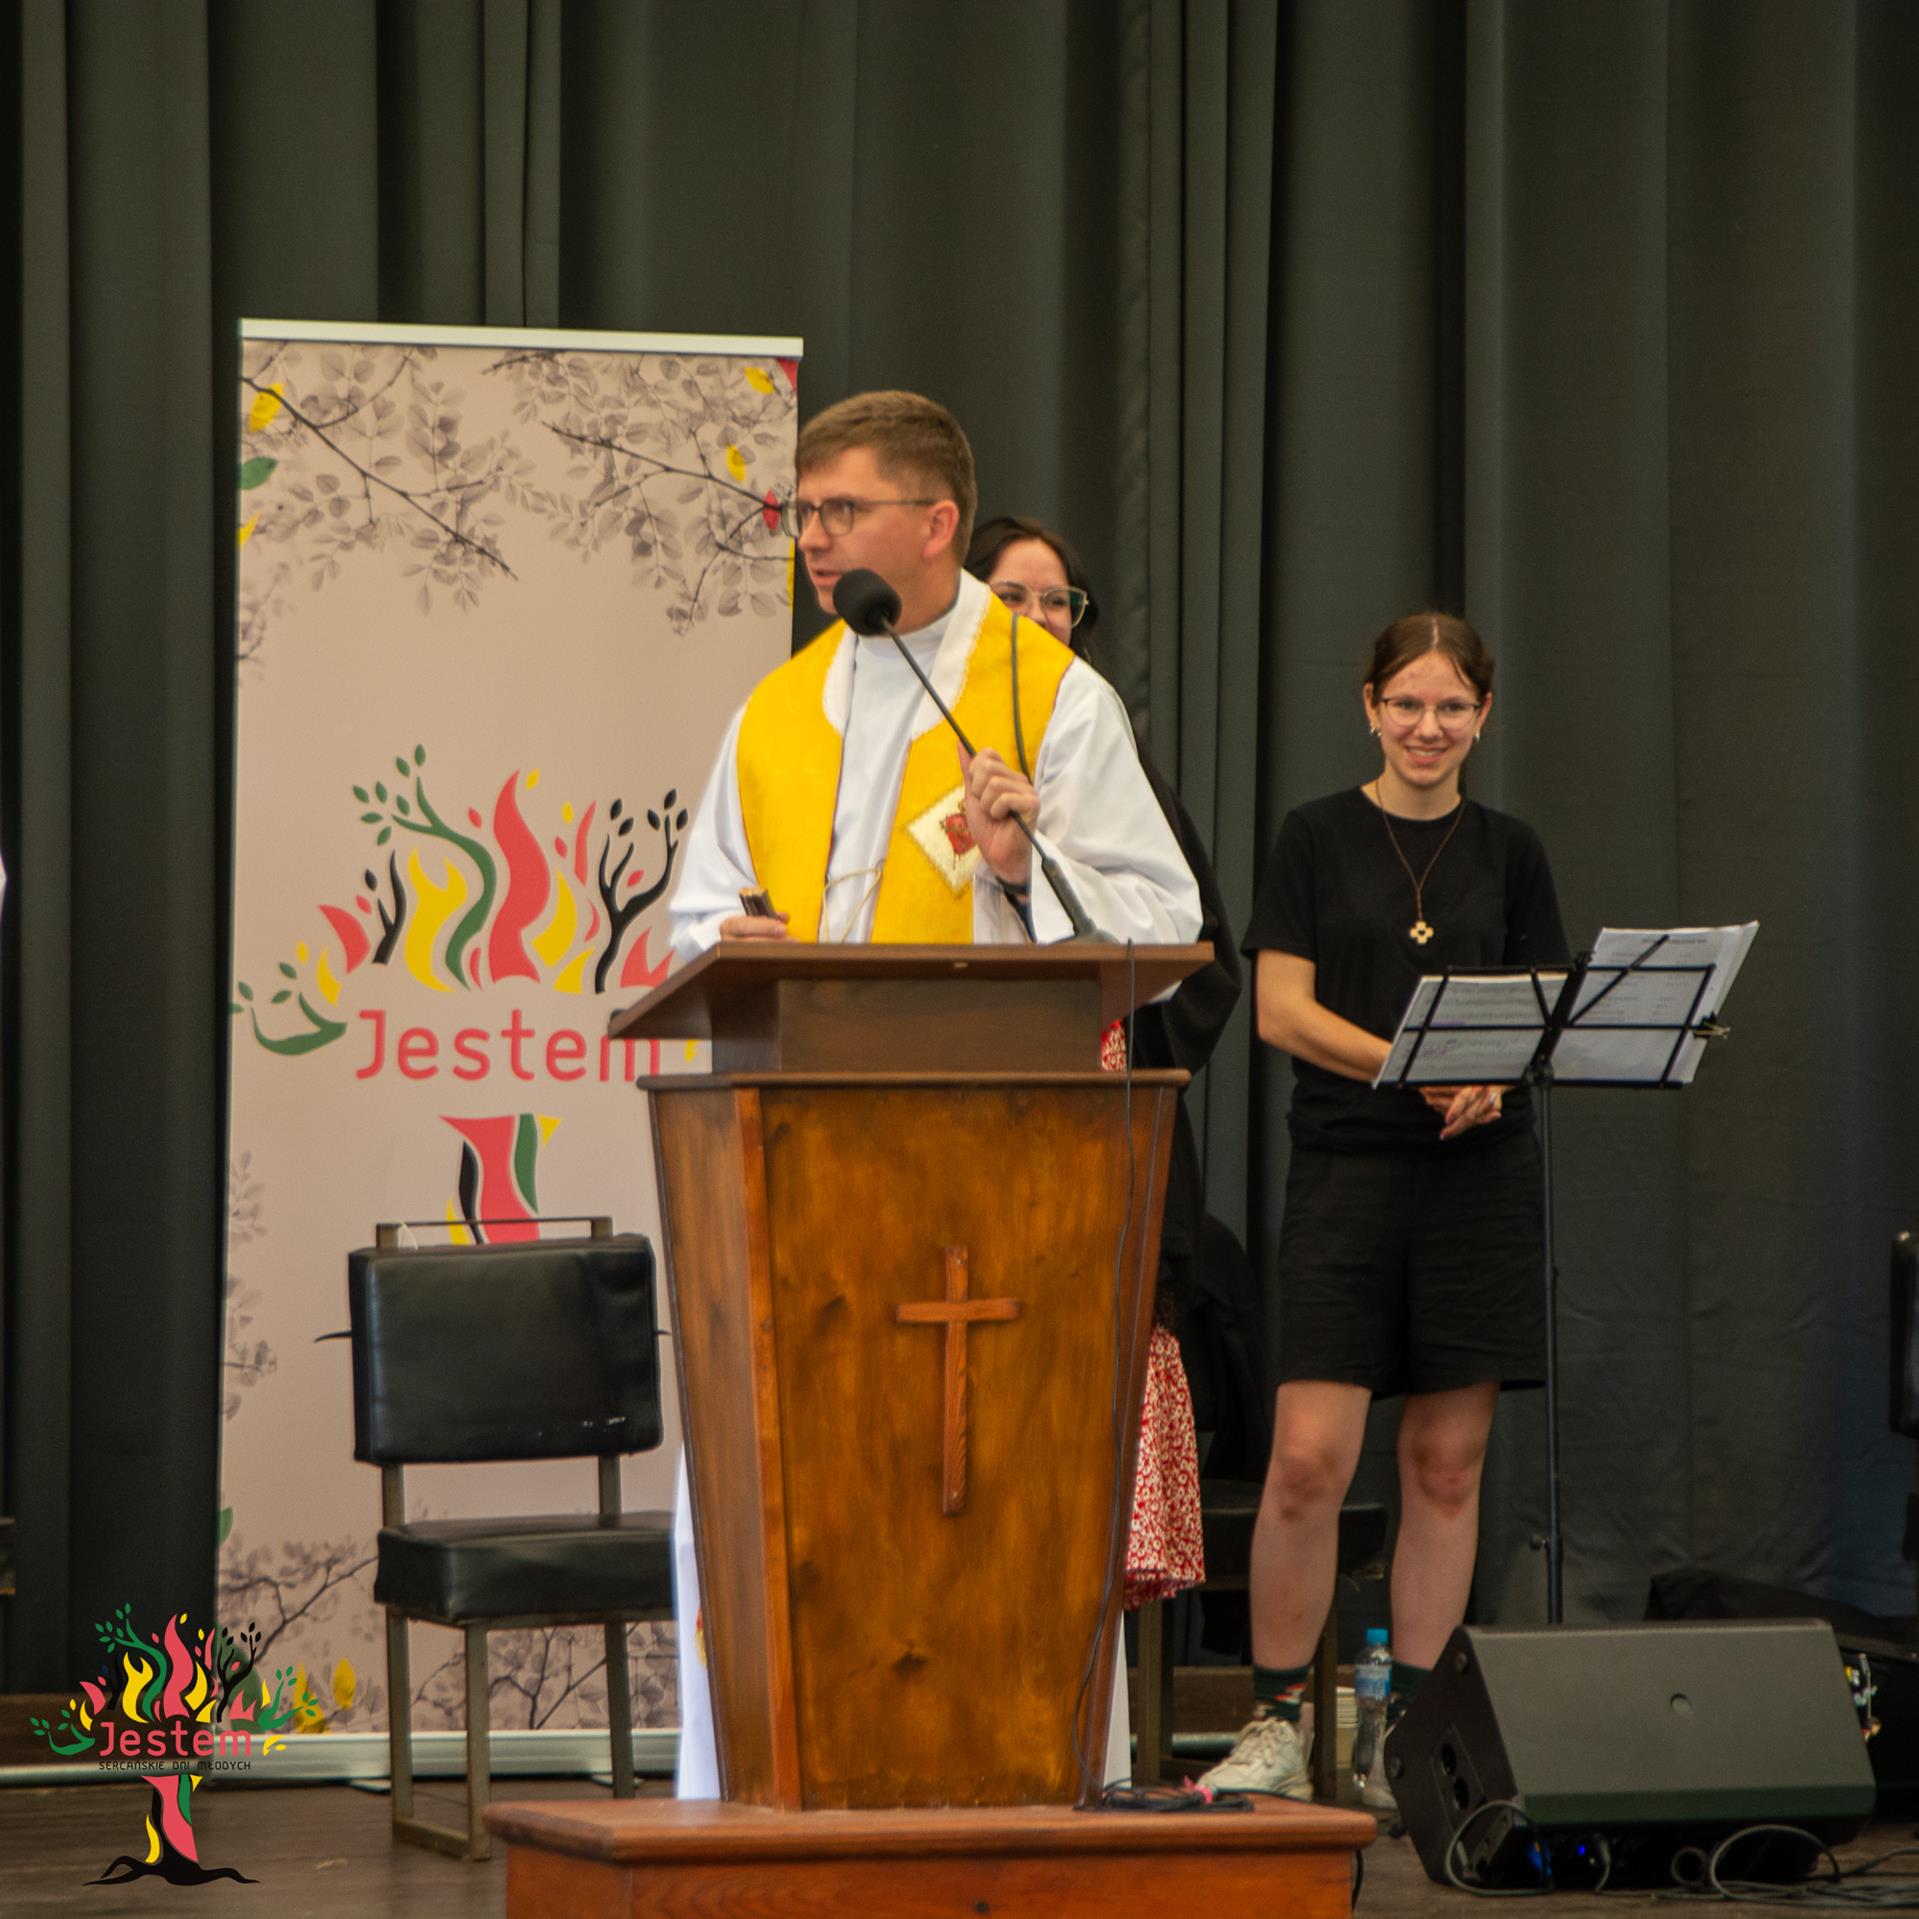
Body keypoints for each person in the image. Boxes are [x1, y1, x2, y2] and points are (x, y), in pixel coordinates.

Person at [667, 395, 1202, 1798]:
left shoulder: (1044, 695)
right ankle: (772, 1800)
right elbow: (686, 917)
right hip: (797, 1170)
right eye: (803, 511)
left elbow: (1162, 922)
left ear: (935, 522)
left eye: (841, 509)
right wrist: (730, 940)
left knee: (991, 1496)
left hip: (996, 1174)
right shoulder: (778, 707)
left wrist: (1024, 868)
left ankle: (1019, 1793)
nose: (812, 536)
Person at [1201, 611, 1568, 1805]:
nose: (1426, 725)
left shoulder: (1509, 850)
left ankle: (1404, 1737)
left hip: (1478, 1180)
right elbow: (1280, 1011)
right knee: (1307, 1460)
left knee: (1446, 1465)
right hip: (1346, 1173)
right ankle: (1276, 1720)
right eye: (1405, 702)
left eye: (1450, 705)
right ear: (1368, 706)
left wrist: (1494, 1074)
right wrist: (1416, 1067)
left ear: (1482, 716)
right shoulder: (1312, 835)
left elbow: (1545, 1011)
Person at [965, 515, 1256, 1613]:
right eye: (1012, 597)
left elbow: (1194, 952)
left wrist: (1029, 872)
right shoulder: (884, 750)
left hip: (1085, 1134)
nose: (1039, 618)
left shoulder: (1105, 759)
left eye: (1059, 601)